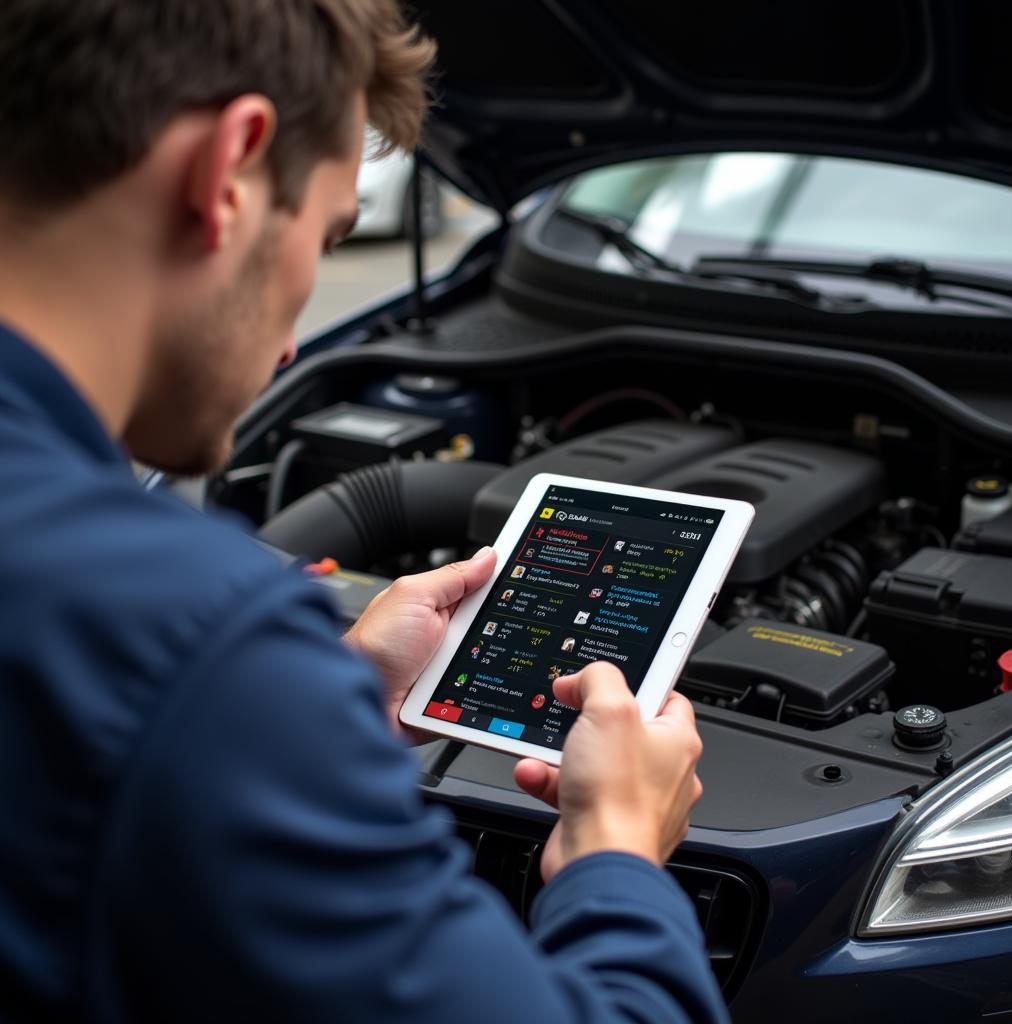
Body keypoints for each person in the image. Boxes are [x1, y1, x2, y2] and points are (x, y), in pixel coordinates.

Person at [0, 3, 728, 1023]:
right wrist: (615, 849)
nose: (295, 346)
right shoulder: (189, 640)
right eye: (327, 233)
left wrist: (322, 699)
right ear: (230, 170)